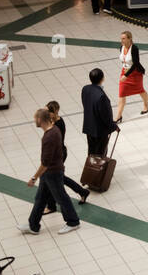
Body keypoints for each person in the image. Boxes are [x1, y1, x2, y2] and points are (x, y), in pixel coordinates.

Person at [19, 107, 81, 236]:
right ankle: (33, 226)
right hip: (50, 172)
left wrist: (34, 177)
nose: (34, 121)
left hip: (52, 172)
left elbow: (45, 163)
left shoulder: (49, 137)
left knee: (61, 197)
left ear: (40, 120)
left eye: (35, 118)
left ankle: (73, 221)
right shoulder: (55, 129)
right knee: (40, 198)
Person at [44, 100, 89, 206]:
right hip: (58, 153)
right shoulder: (53, 121)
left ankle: (51, 205)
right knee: (57, 178)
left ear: (54, 112)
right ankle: (82, 192)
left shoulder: (58, 124)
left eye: (48, 112)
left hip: (59, 154)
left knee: (53, 178)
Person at [81, 67, 118, 158]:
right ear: (102, 78)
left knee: (91, 151)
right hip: (99, 130)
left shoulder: (85, 89)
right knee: (100, 152)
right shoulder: (101, 96)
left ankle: (90, 169)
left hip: (89, 126)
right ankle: (98, 171)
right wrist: (114, 126)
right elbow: (105, 116)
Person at [114, 30, 148, 123]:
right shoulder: (121, 47)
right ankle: (118, 116)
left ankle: (146, 104)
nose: (122, 40)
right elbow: (124, 60)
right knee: (121, 94)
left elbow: (135, 64)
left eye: (124, 38)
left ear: (129, 39)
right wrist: (124, 73)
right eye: (121, 38)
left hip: (135, 73)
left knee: (140, 90)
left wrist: (126, 75)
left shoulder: (134, 48)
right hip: (124, 72)